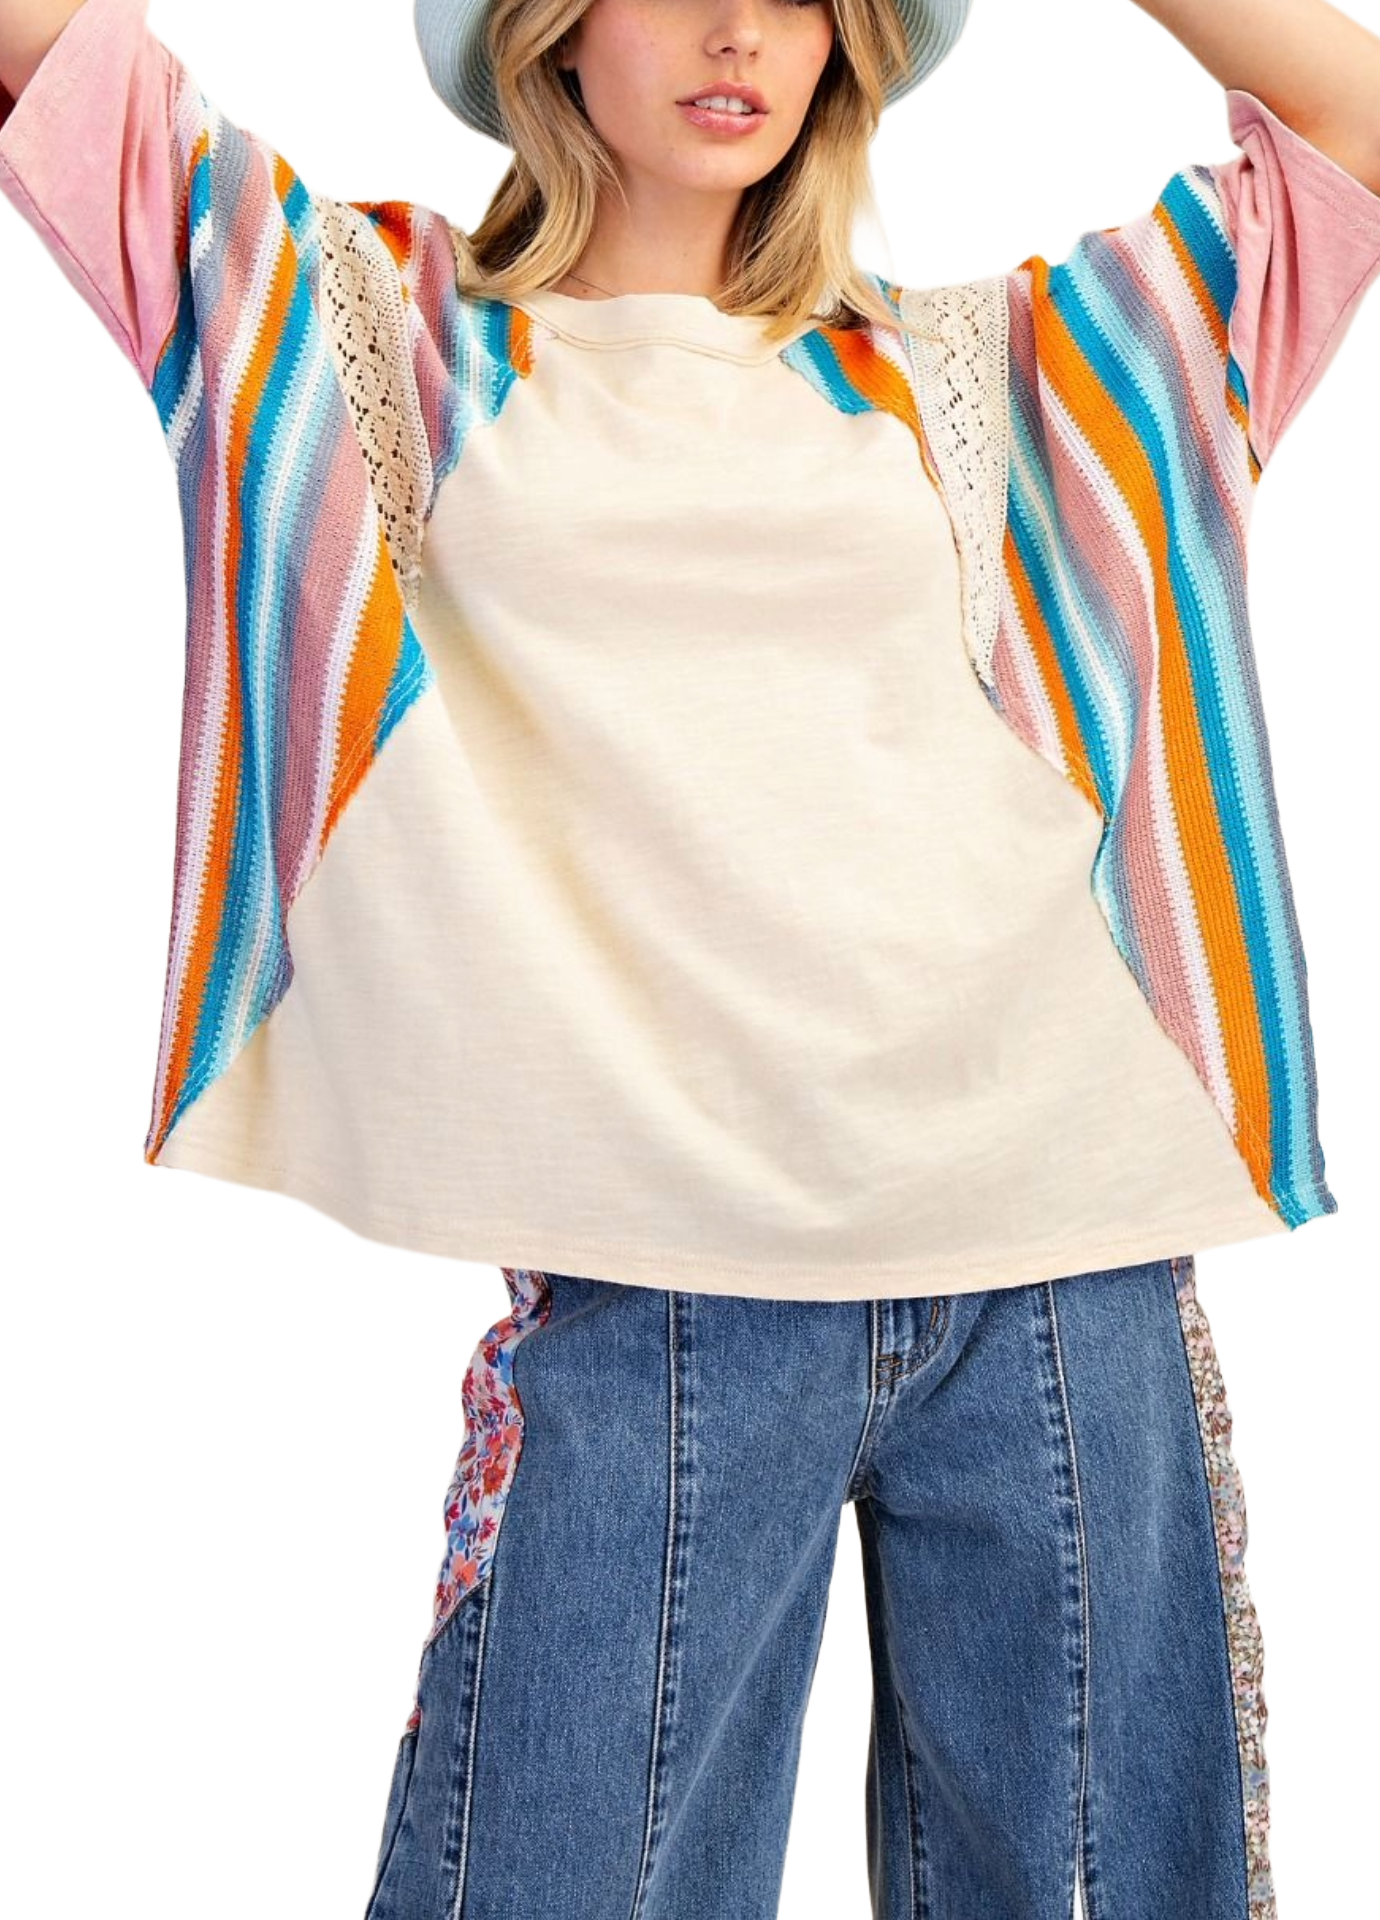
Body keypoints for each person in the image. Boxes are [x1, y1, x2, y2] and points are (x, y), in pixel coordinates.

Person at [3, 0, 1379, 1912]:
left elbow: (1352, 124)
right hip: (657, 1291)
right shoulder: (371, 333)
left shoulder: (1014, 369)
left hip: (1062, 1275)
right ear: (548, 29)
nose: (741, 30)